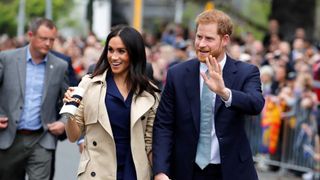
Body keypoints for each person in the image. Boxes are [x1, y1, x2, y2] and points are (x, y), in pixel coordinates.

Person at [152, 9, 265, 180]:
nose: (201, 44)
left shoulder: (246, 72)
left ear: (225, 39)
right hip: (186, 170)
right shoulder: (177, 74)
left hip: (231, 171)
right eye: (199, 37)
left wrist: (224, 92)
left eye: (209, 39)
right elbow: (164, 125)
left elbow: (256, 104)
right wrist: (160, 171)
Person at [64, 25, 160, 180]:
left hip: (135, 171)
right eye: (110, 50)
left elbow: (149, 143)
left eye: (121, 51)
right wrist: (70, 111)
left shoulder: (149, 92)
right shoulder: (89, 84)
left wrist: (160, 173)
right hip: (98, 171)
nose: (114, 57)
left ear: (134, 54)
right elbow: (73, 136)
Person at [0, 18, 69, 180]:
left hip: (41, 139)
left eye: (52, 39)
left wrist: (64, 122)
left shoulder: (60, 66)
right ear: (31, 35)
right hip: (9, 138)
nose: (48, 43)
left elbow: (70, 101)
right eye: (43, 38)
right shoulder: (7, 59)